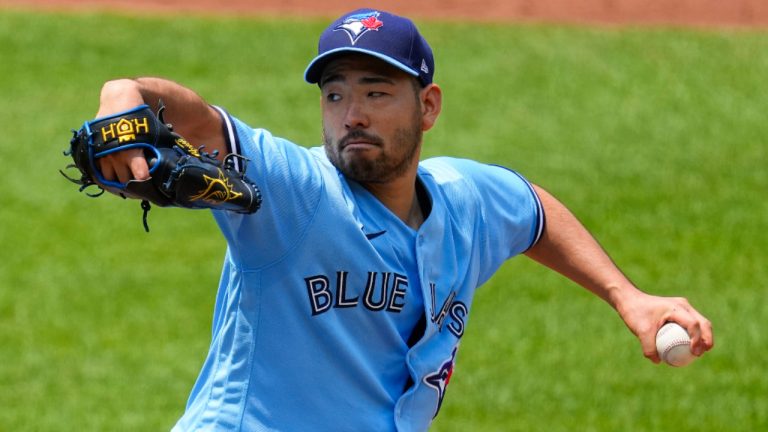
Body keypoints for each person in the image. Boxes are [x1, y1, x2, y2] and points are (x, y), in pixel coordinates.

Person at [91, 8, 713, 432]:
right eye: (334, 95)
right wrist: (124, 95)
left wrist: (627, 297)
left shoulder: (463, 200)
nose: (352, 113)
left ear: (429, 106)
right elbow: (197, 119)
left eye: (376, 92)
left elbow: (532, 212)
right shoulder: (295, 191)